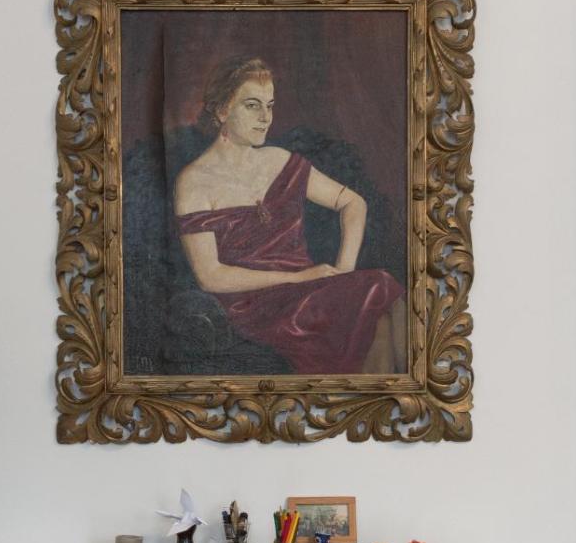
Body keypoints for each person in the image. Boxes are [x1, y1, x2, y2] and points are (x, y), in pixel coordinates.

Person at [174, 55, 406, 374]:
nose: (265, 118)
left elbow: (354, 203)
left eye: (270, 106)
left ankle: (389, 395)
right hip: (254, 304)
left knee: (380, 304)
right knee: (376, 297)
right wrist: (299, 278)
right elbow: (210, 276)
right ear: (222, 110)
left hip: (309, 290)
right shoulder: (194, 181)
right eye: (252, 106)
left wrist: (343, 274)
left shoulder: (279, 160)